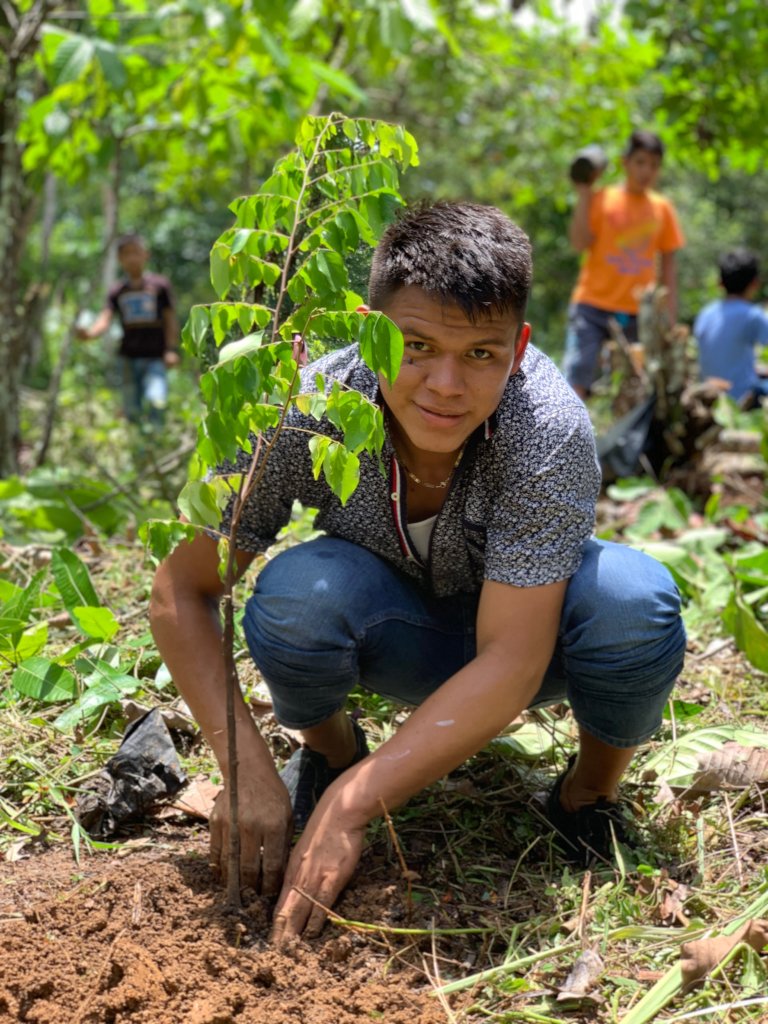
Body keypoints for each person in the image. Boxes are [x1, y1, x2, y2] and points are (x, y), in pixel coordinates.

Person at [149, 201, 686, 944]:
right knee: (294, 597)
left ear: (520, 347)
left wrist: (354, 811)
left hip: (529, 643)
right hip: (392, 627)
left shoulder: (548, 428)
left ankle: (586, 795)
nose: (444, 384)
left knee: (635, 600)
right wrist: (244, 770)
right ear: (372, 332)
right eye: (416, 345)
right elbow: (181, 589)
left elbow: (512, 661)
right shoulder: (308, 409)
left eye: (480, 355)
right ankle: (331, 754)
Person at [563, 130, 685, 399]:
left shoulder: (662, 208)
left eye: (654, 165)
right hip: (592, 305)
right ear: (625, 162)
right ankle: (567, 436)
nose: (647, 171)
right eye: (641, 162)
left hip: (638, 312)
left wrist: (670, 319)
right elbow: (579, 243)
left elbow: (669, 269)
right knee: (578, 375)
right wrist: (584, 194)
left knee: (637, 383)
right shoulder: (602, 198)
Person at [77, 233, 180, 425]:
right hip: (128, 357)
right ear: (119, 259)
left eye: (136, 252)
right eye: (126, 254)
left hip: (155, 356)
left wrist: (171, 350)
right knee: (131, 407)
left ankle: (156, 440)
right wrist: (90, 334)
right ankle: (138, 447)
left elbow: (170, 319)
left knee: (156, 399)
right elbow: (105, 318)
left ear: (145, 255)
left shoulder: (159, 285)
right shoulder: (117, 291)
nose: (132, 258)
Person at [694, 248, 768, 405]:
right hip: (742, 398)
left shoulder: (705, 314)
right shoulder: (752, 315)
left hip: (710, 395)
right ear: (755, 283)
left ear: (720, 283)